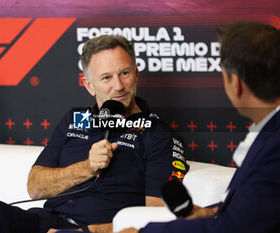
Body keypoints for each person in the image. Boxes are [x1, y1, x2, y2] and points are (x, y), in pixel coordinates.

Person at [0, 35, 189, 233]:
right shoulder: (75, 118)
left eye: (125, 73)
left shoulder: (160, 135)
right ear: (89, 85)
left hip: (96, 229)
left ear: (136, 74)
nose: (118, 86)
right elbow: (35, 187)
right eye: (106, 77)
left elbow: (156, 216)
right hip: (46, 221)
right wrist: (87, 167)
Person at [118, 21, 280, 233]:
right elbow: (255, 208)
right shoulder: (270, 132)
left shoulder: (274, 146)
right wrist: (211, 212)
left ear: (237, 83)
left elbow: (234, 227)